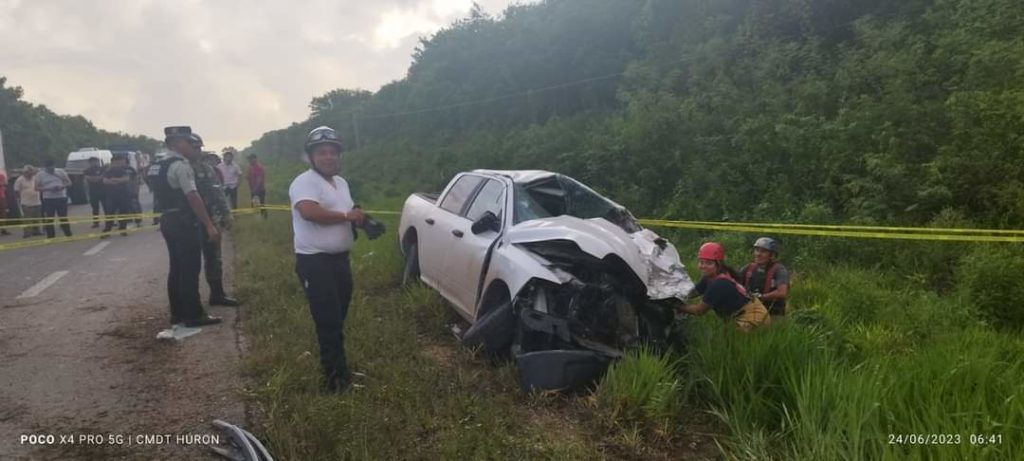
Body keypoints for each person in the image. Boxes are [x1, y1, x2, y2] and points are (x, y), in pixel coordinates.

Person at [289, 126, 366, 392]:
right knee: (328, 320)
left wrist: (361, 219)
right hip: (315, 262)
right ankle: (334, 381)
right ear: (310, 156)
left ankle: (339, 367)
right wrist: (346, 217)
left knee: (338, 316)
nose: (329, 157)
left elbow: (347, 210)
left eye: (333, 152)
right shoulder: (304, 182)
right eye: (322, 152)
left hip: (339, 261)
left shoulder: (340, 183)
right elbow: (309, 211)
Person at [148, 126, 222, 328]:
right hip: (183, 221)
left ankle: (177, 313)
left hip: (167, 219)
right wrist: (209, 224)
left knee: (176, 267)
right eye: (189, 142)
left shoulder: (158, 164)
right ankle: (193, 314)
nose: (191, 146)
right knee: (190, 268)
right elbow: (192, 195)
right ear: (177, 143)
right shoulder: (180, 165)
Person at [191, 136, 240, 307]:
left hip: (212, 220)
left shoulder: (208, 169)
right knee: (191, 261)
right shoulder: (182, 168)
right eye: (194, 147)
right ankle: (191, 300)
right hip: (190, 223)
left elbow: (218, 194)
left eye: (199, 148)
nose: (197, 151)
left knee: (214, 258)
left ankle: (217, 294)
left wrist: (226, 215)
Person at [677, 242, 770, 332]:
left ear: (718, 264)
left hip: (753, 317)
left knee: (734, 344)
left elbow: (698, 311)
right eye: (701, 262)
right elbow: (693, 292)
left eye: (709, 263)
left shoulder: (719, 284)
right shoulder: (709, 277)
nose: (703, 266)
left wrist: (675, 305)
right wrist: (674, 295)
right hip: (743, 314)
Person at [739, 237, 790, 317]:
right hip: (750, 312)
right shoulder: (748, 268)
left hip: (773, 314)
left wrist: (760, 297)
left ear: (772, 255)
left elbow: (782, 292)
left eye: (763, 251)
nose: (758, 254)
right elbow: (734, 283)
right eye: (757, 250)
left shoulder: (779, 270)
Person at [35, 159, 72, 238]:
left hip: (61, 197)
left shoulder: (60, 172)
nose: (51, 169)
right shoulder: (40, 175)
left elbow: (69, 182)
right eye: (48, 168)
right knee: (49, 218)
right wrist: (48, 189)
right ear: (45, 167)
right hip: (48, 198)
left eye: (52, 168)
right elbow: (36, 188)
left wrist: (62, 186)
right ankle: (51, 236)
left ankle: (68, 234)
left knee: (63, 217)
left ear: (54, 166)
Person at [100, 153, 134, 237]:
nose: (120, 164)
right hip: (111, 196)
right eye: (118, 162)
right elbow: (105, 181)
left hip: (124, 195)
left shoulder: (125, 170)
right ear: (113, 162)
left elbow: (126, 179)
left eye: (121, 162)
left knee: (123, 213)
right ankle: (107, 231)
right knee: (109, 214)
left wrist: (114, 180)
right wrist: (118, 180)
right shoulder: (108, 171)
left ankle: (123, 229)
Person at [14, 165, 43, 238]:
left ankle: (36, 231)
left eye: (32, 172)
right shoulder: (20, 179)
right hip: (26, 202)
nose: (31, 174)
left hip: (37, 201)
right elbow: (16, 190)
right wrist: (19, 199)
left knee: (36, 217)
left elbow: (40, 186)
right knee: (27, 219)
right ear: (25, 172)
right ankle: (27, 233)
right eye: (30, 173)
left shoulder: (35, 178)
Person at [83, 157, 107, 228]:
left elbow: (102, 177)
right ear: (90, 163)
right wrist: (97, 178)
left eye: (96, 161)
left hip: (103, 191)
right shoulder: (87, 170)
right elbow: (88, 178)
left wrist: (95, 178)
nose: (94, 163)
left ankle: (110, 221)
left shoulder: (103, 169)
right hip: (93, 192)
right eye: (92, 162)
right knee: (95, 208)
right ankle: (96, 223)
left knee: (106, 207)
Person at [247, 153, 267, 219]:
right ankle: (256, 218)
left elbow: (259, 179)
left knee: (261, 204)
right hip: (253, 189)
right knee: (254, 204)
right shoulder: (251, 167)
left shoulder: (259, 167)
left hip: (259, 190)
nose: (249, 161)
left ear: (255, 159)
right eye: (249, 159)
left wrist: (255, 190)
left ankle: (264, 218)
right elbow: (250, 177)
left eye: (251, 159)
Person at [0, 169, 8, 236]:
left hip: (2, 196)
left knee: (3, 213)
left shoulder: (1, 175)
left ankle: (3, 229)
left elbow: (5, 183)